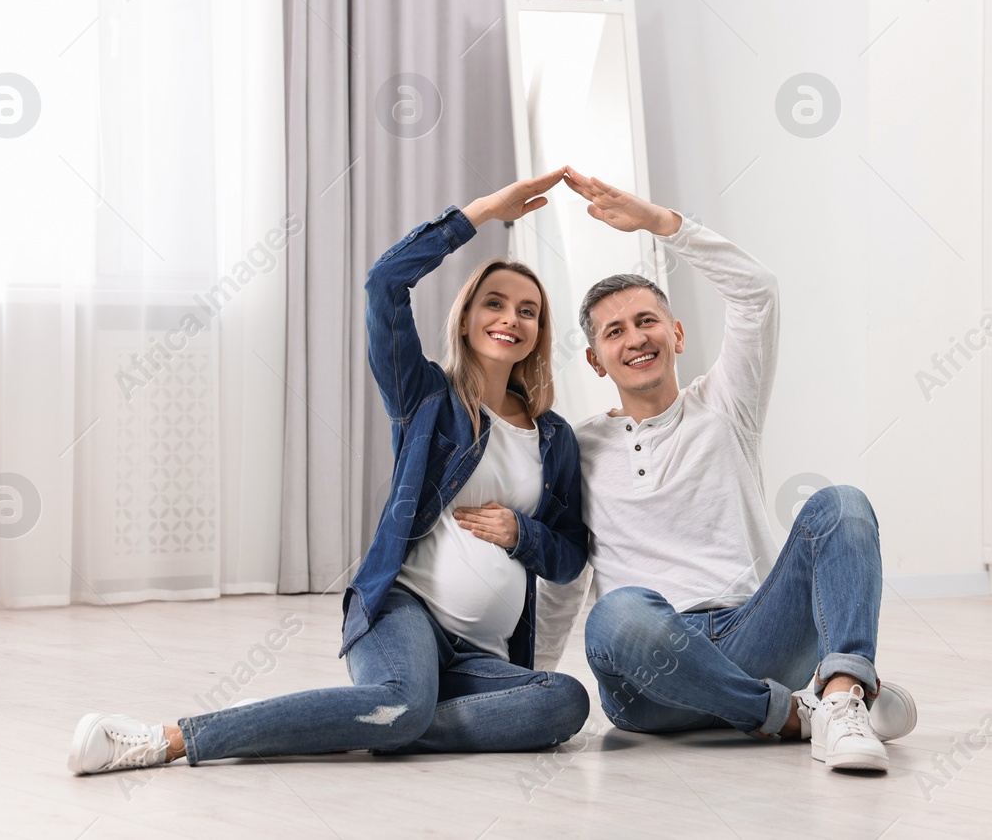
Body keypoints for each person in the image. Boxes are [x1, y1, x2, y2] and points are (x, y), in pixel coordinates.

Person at [68, 171, 592, 774]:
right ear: (467, 317)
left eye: (528, 311)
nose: (511, 319)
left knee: (562, 701)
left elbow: (569, 556)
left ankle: (351, 723)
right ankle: (172, 737)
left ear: (540, 333)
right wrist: (476, 214)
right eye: (494, 303)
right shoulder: (426, 397)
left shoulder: (554, 439)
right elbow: (384, 282)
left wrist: (521, 534)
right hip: (403, 612)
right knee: (401, 704)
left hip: (482, 655)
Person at [556, 166, 915, 772]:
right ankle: (800, 715)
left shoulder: (725, 405)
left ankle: (841, 694)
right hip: (649, 673)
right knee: (616, 613)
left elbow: (758, 290)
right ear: (595, 360)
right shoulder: (577, 446)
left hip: (753, 637)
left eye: (646, 321)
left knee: (842, 503)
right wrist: (533, 682)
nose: (635, 338)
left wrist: (658, 222)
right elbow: (562, 579)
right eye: (614, 332)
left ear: (676, 333)